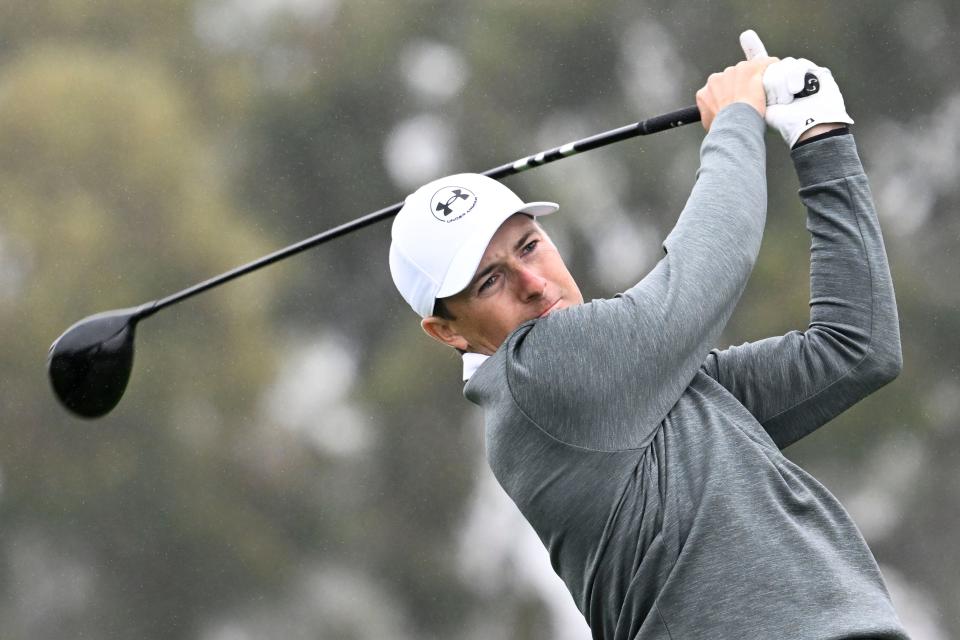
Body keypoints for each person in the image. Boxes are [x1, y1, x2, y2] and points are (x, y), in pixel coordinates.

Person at [388, 34, 907, 639]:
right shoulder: (538, 377)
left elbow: (856, 350)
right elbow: (707, 268)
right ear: (445, 331)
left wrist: (823, 140)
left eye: (529, 245)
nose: (531, 283)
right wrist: (736, 118)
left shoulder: (645, 389)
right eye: (489, 282)